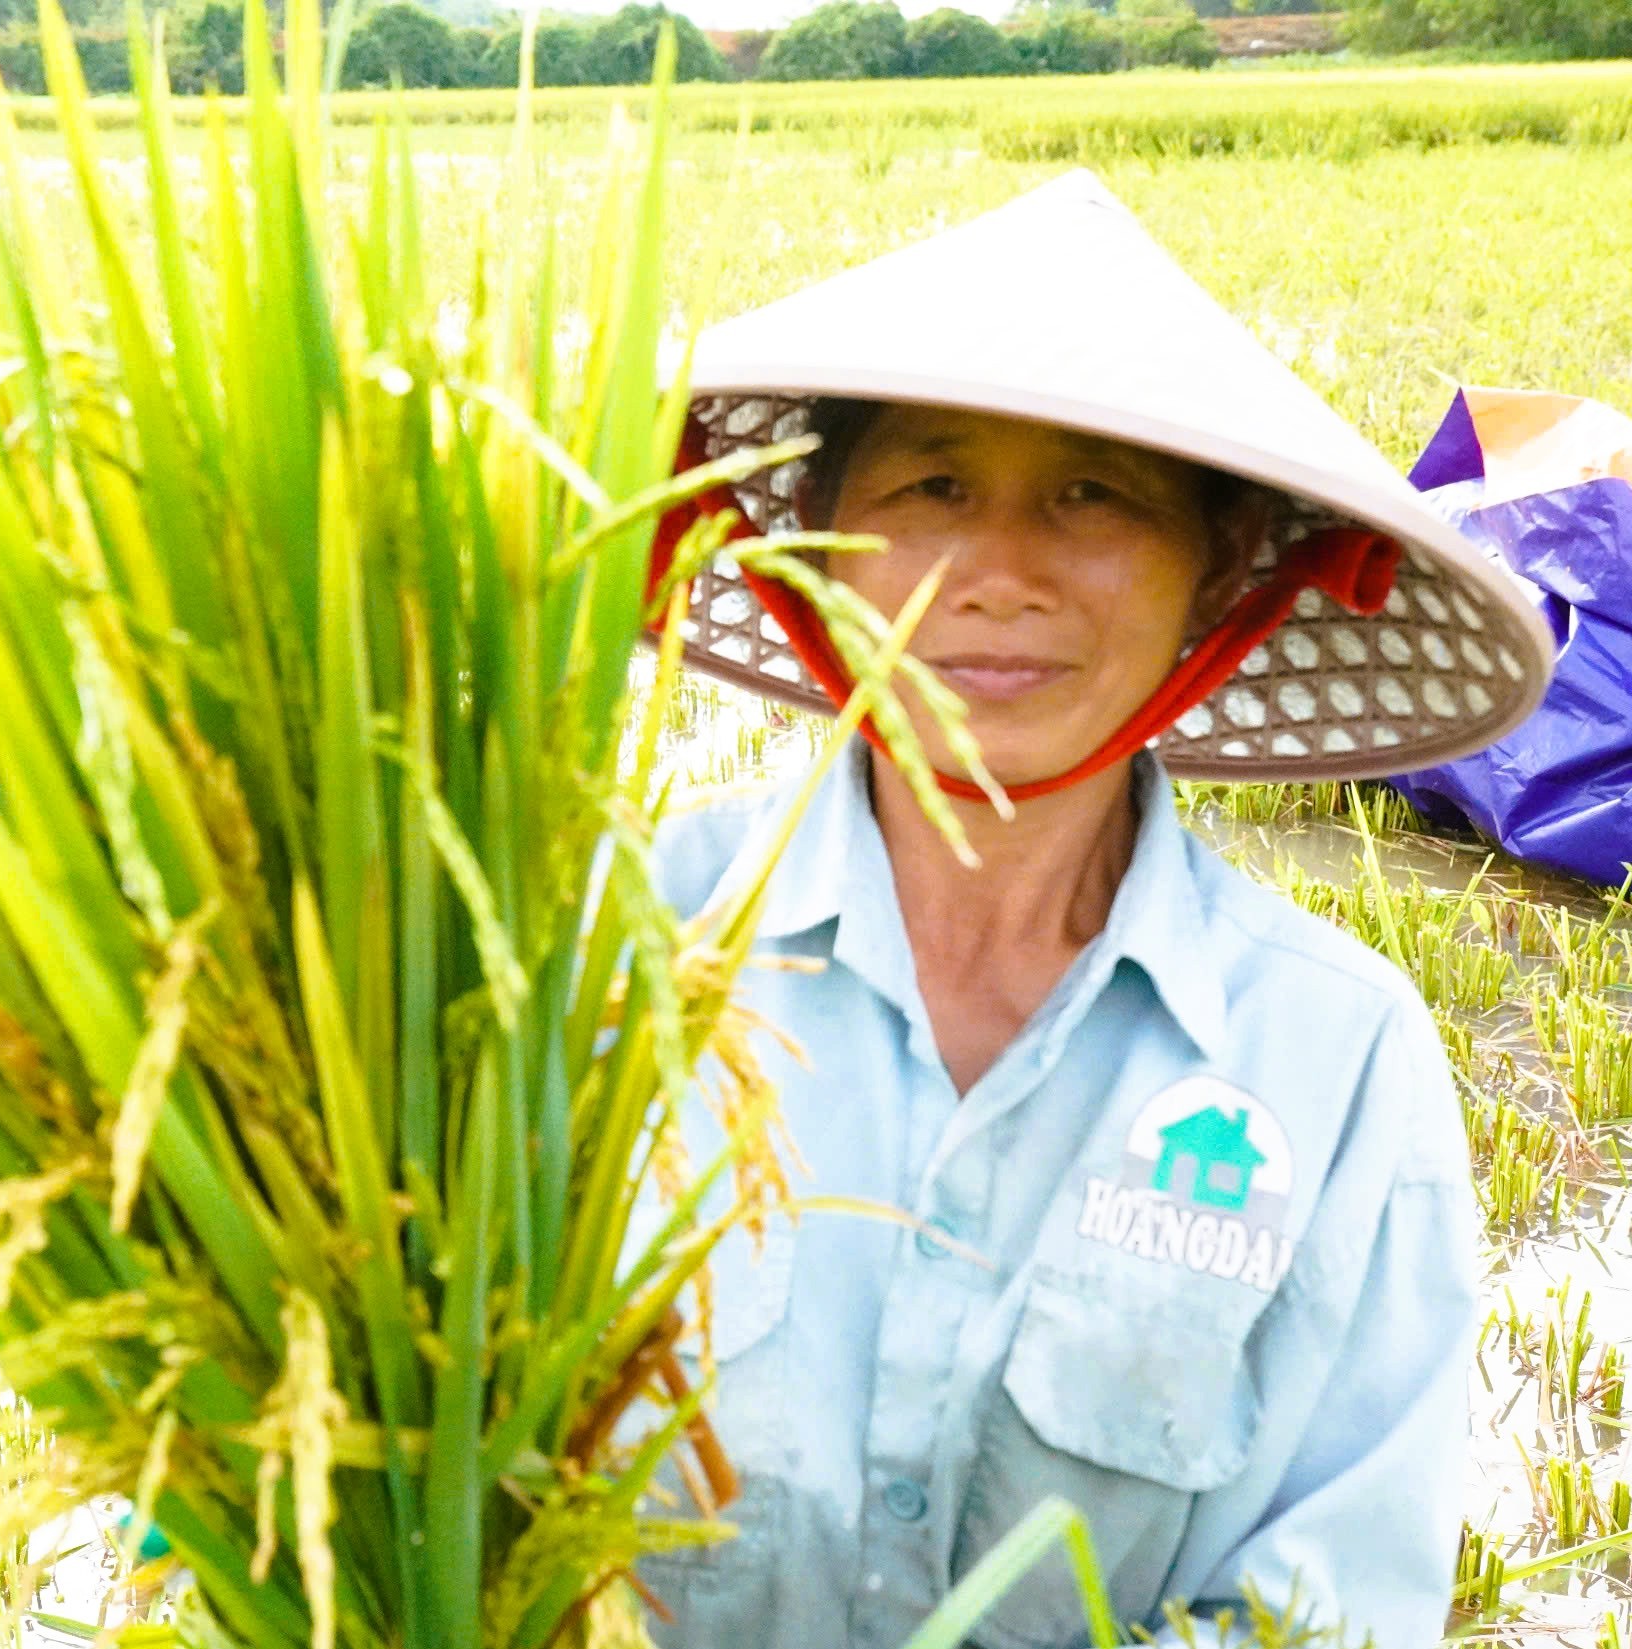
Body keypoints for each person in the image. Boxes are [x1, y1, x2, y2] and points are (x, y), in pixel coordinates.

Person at [624, 171, 1554, 1649]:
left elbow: (1319, 1613)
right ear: (812, 533)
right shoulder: (610, 948)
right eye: (932, 487)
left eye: (1093, 494)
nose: (1001, 575)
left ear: (1225, 569)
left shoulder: (1330, 1060)